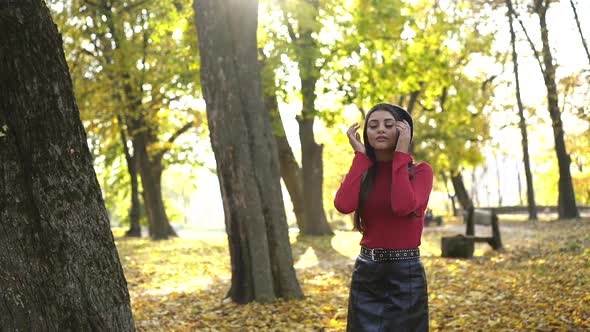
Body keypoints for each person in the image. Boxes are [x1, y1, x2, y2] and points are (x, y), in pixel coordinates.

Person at [334, 103, 433, 331]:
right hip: (367, 273)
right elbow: (343, 204)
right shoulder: (364, 170)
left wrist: (401, 154)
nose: (380, 130)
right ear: (366, 134)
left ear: (403, 131)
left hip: (404, 274)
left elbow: (402, 206)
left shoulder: (421, 172)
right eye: (373, 125)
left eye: (389, 125)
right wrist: (360, 156)